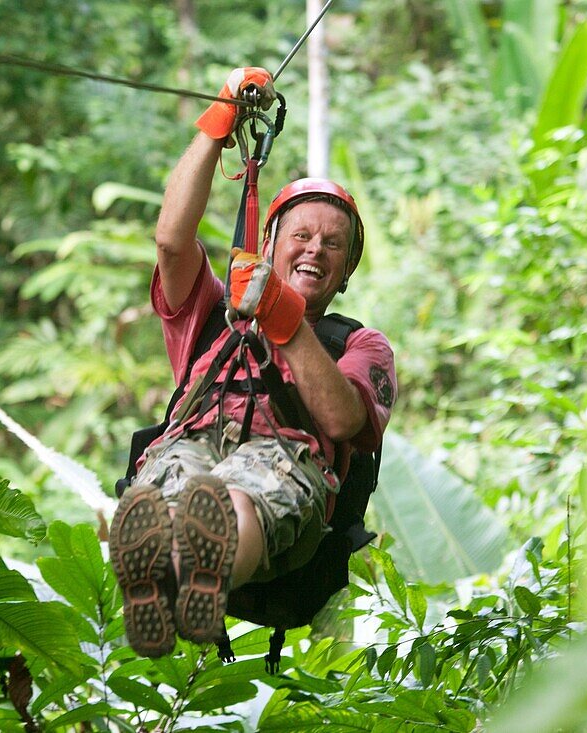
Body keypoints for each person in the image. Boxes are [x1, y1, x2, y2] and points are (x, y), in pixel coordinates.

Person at [109, 67, 396, 658]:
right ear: (269, 246)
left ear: (344, 275)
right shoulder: (212, 312)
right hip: (191, 442)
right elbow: (171, 242)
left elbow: (343, 422)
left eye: (332, 244)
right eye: (301, 235)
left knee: (236, 495)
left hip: (286, 461)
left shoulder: (362, 346)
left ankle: (201, 577)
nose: (315, 248)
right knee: (172, 490)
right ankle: (159, 584)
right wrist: (218, 124)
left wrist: (283, 318)